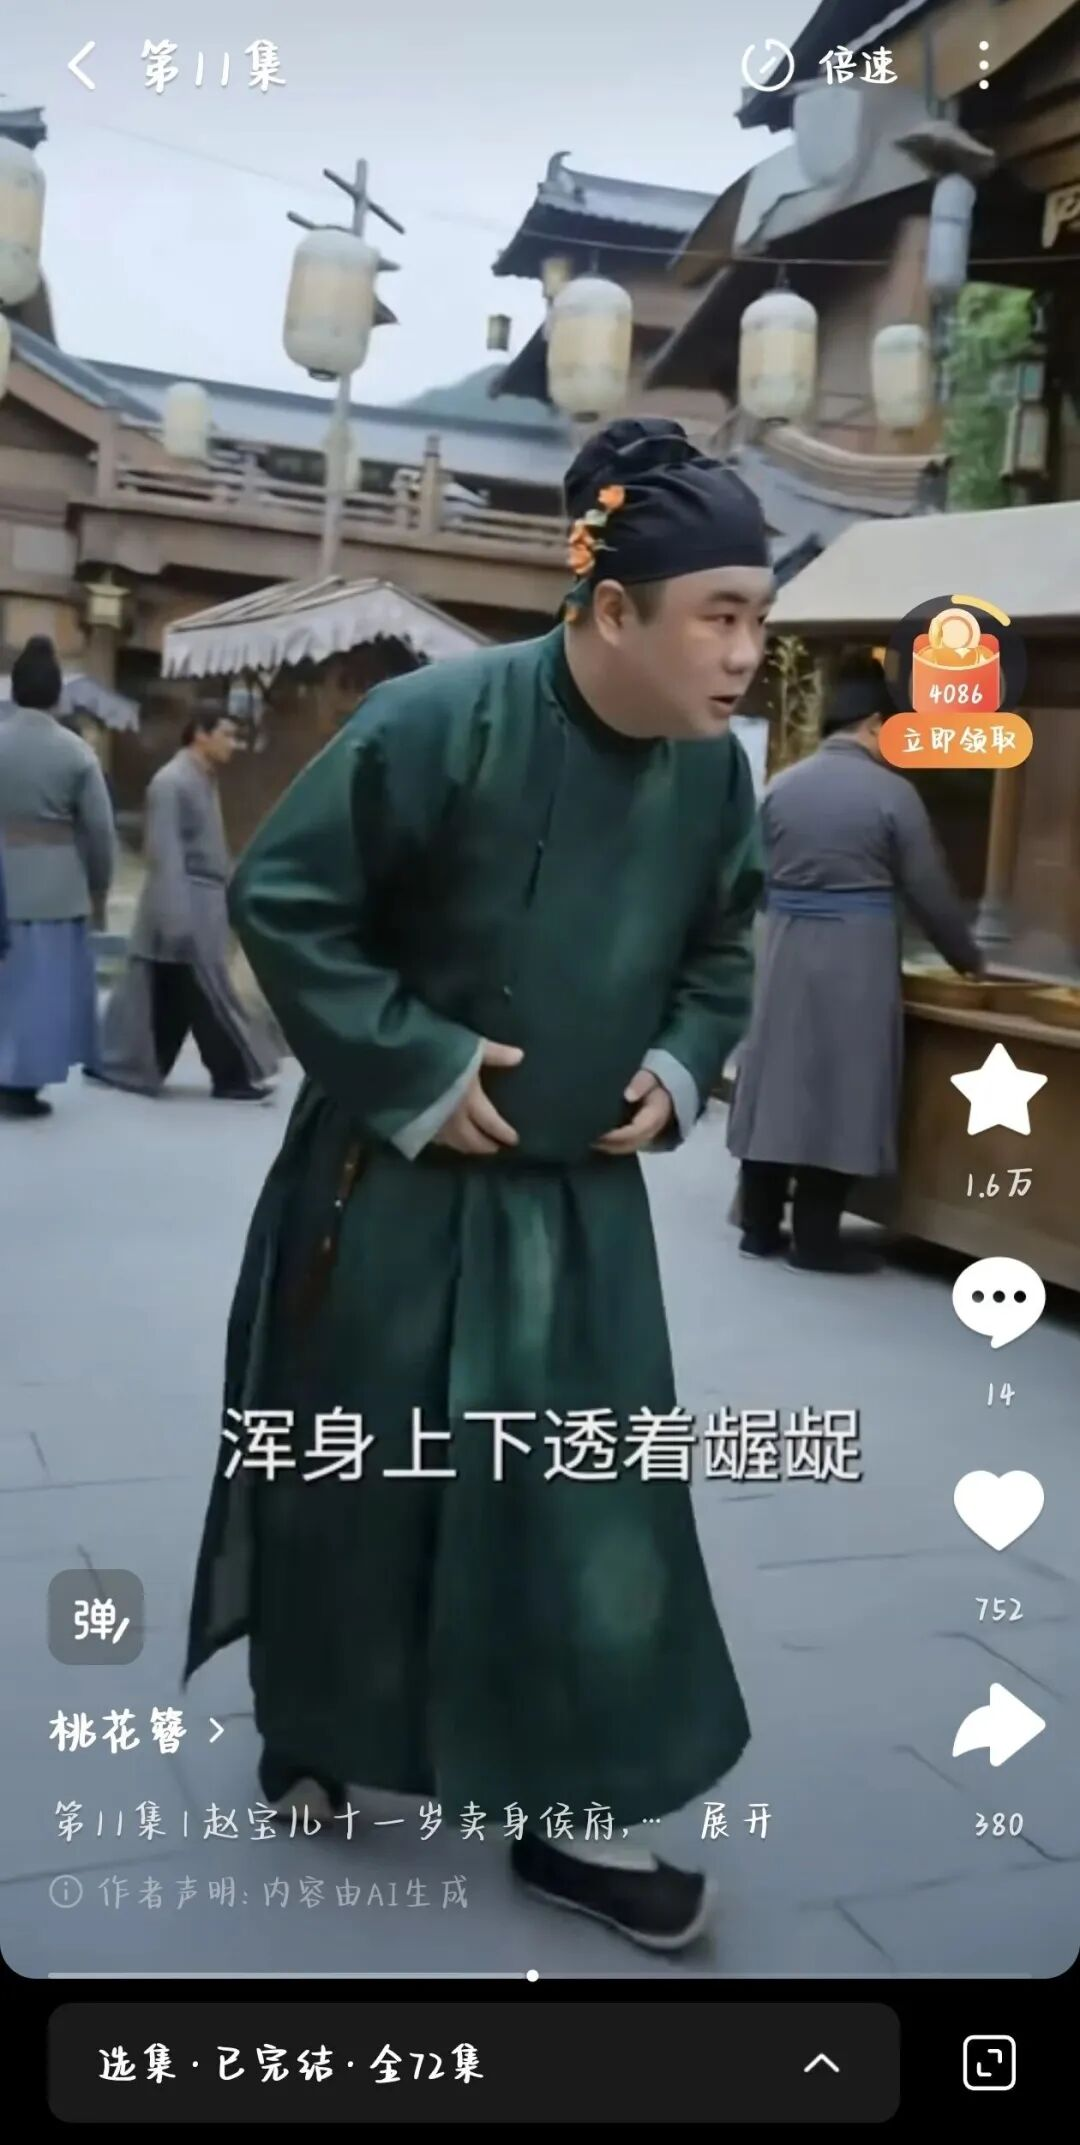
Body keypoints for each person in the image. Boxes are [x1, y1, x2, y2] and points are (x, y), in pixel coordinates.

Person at [185, 417, 773, 1952]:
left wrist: (684, 1061)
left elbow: (726, 940)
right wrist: (421, 1065)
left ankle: (573, 1805)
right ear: (612, 608)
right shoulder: (437, 721)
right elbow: (288, 898)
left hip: (575, 1210)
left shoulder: (714, 778)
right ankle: (318, 1724)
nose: (745, 654)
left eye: (758, 619)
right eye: (719, 614)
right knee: (361, 1480)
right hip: (391, 1185)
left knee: (587, 1505)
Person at [727, 654, 983, 1274]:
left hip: (784, 946)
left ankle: (758, 1227)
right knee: (844, 1087)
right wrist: (968, 960)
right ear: (873, 724)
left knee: (777, 1081)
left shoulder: (782, 786)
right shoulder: (892, 794)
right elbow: (929, 891)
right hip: (857, 954)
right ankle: (816, 1239)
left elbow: (744, 877)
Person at [92, 709, 278, 1102]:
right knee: (205, 992)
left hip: (203, 901)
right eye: (226, 734)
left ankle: (124, 1064)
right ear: (200, 734)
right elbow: (165, 853)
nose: (232, 744)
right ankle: (231, 1075)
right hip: (183, 900)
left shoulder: (203, 778)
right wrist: (175, 915)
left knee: (169, 994)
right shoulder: (171, 782)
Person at [0, 636, 115, 1119]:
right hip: (54, 886)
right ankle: (19, 1082)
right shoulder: (76, 753)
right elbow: (100, 830)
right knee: (39, 993)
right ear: (57, 694)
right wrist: (99, 883)